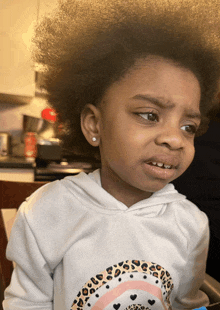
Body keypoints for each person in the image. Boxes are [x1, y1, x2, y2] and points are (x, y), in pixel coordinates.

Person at [3, 0, 220, 309]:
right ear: (95, 124)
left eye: (188, 126)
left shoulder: (191, 226)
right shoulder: (45, 213)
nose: (175, 139)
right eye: (148, 115)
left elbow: (187, 302)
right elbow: (26, 302)